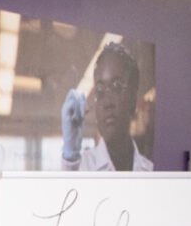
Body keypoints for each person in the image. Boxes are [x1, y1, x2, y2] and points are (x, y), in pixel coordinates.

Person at [61, 41, 152, 172]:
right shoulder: (80, 168)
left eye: (116, 86)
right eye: (99, 90)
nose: (107, 103)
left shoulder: (151, 170)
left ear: (132, 101)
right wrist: (70, 155)